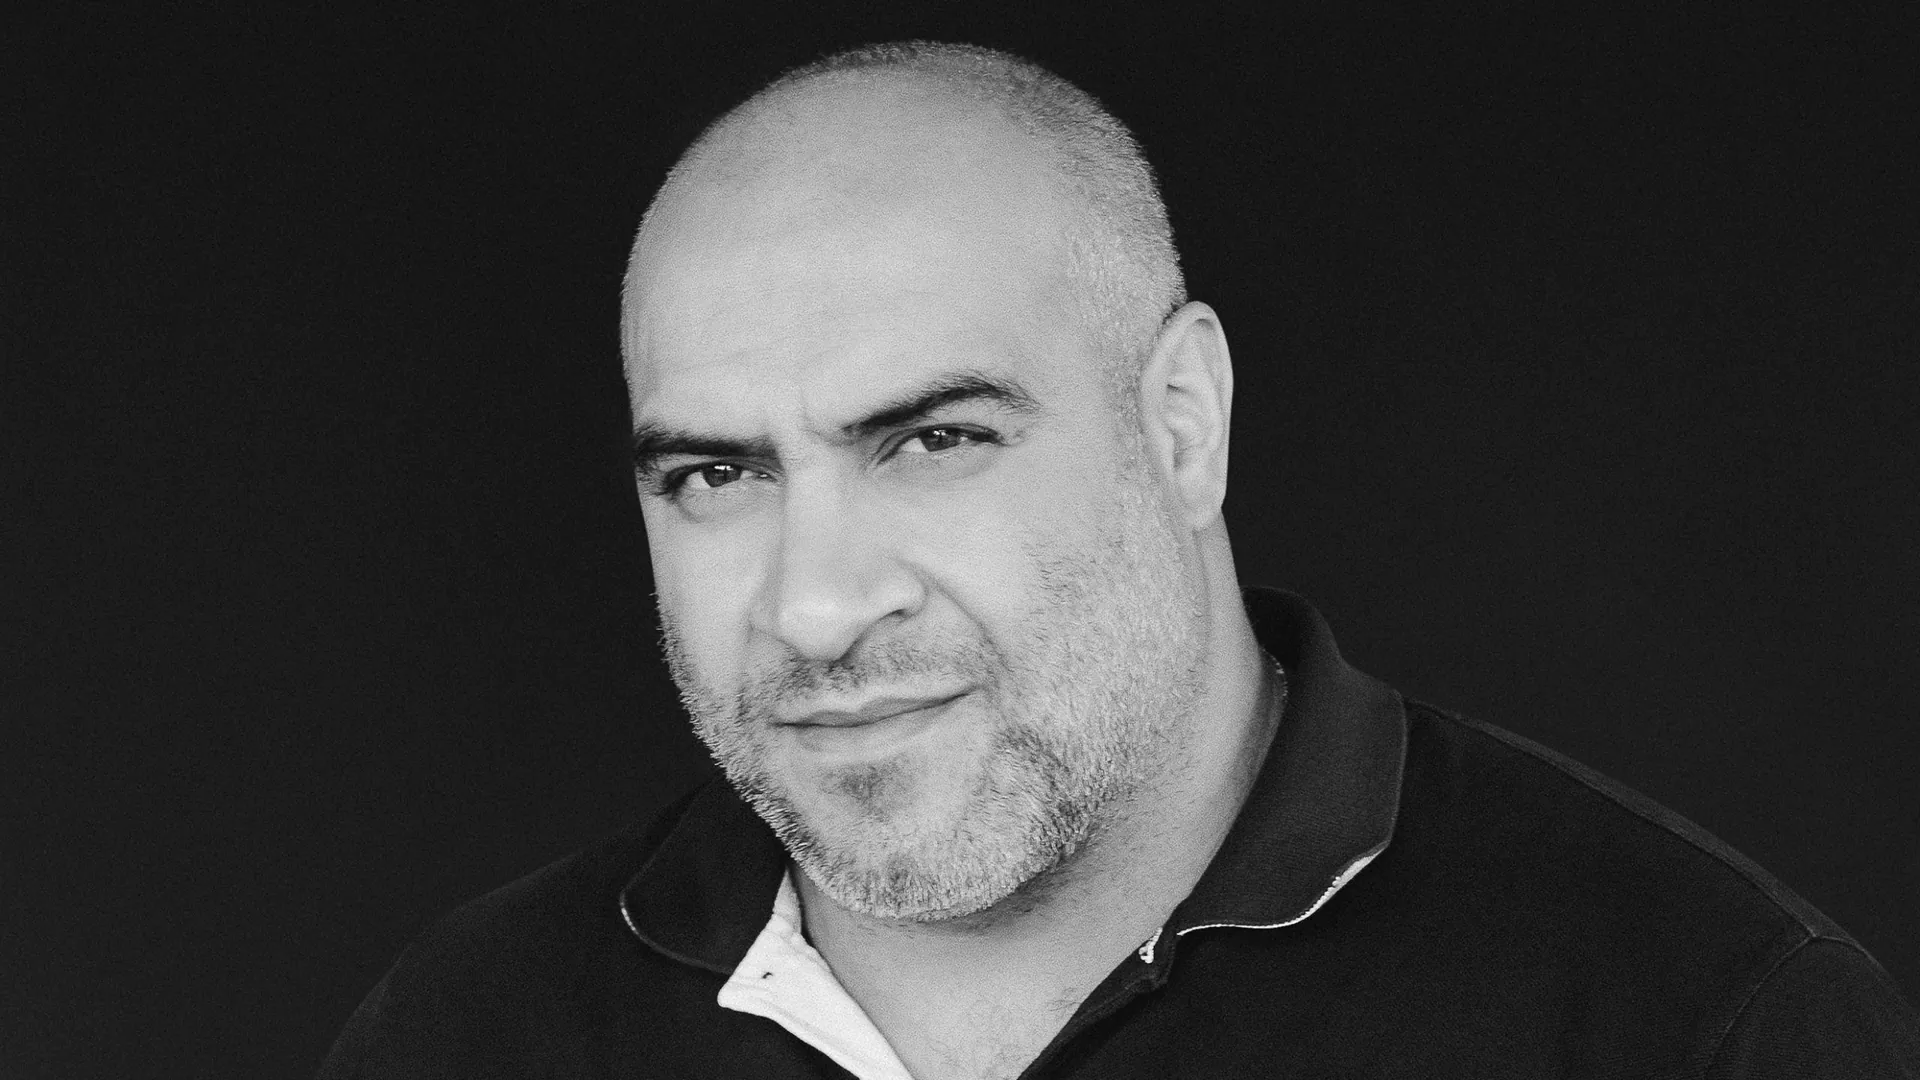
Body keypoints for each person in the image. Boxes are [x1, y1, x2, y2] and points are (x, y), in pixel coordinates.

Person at [319, 41, 1920, 1079]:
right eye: (716, 475)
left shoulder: (1698, 1023)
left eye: (932, 440)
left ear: (1181, 423)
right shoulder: (474, 1035)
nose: (814, 605)